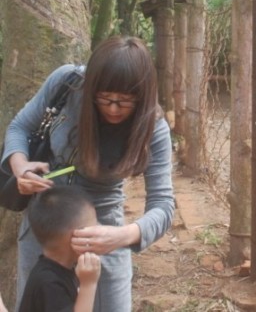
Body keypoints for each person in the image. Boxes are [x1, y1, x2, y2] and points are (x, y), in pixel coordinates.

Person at [1, 36, 175, 312]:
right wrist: (21, 167)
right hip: (47, 227)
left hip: (102, 234)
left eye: (125, 101)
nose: (114, 108)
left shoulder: (153, 126)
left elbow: (164, 205)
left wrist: (124, 235)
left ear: (142, 97)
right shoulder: (67, 84)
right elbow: (19, 127)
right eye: (104, 98)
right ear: (91, 86)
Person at [19, 185, 101, 312]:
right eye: (93, 228)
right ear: (74, 237)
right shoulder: (48, 283)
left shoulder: (62, 270)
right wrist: (88, 285)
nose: (99, 232)